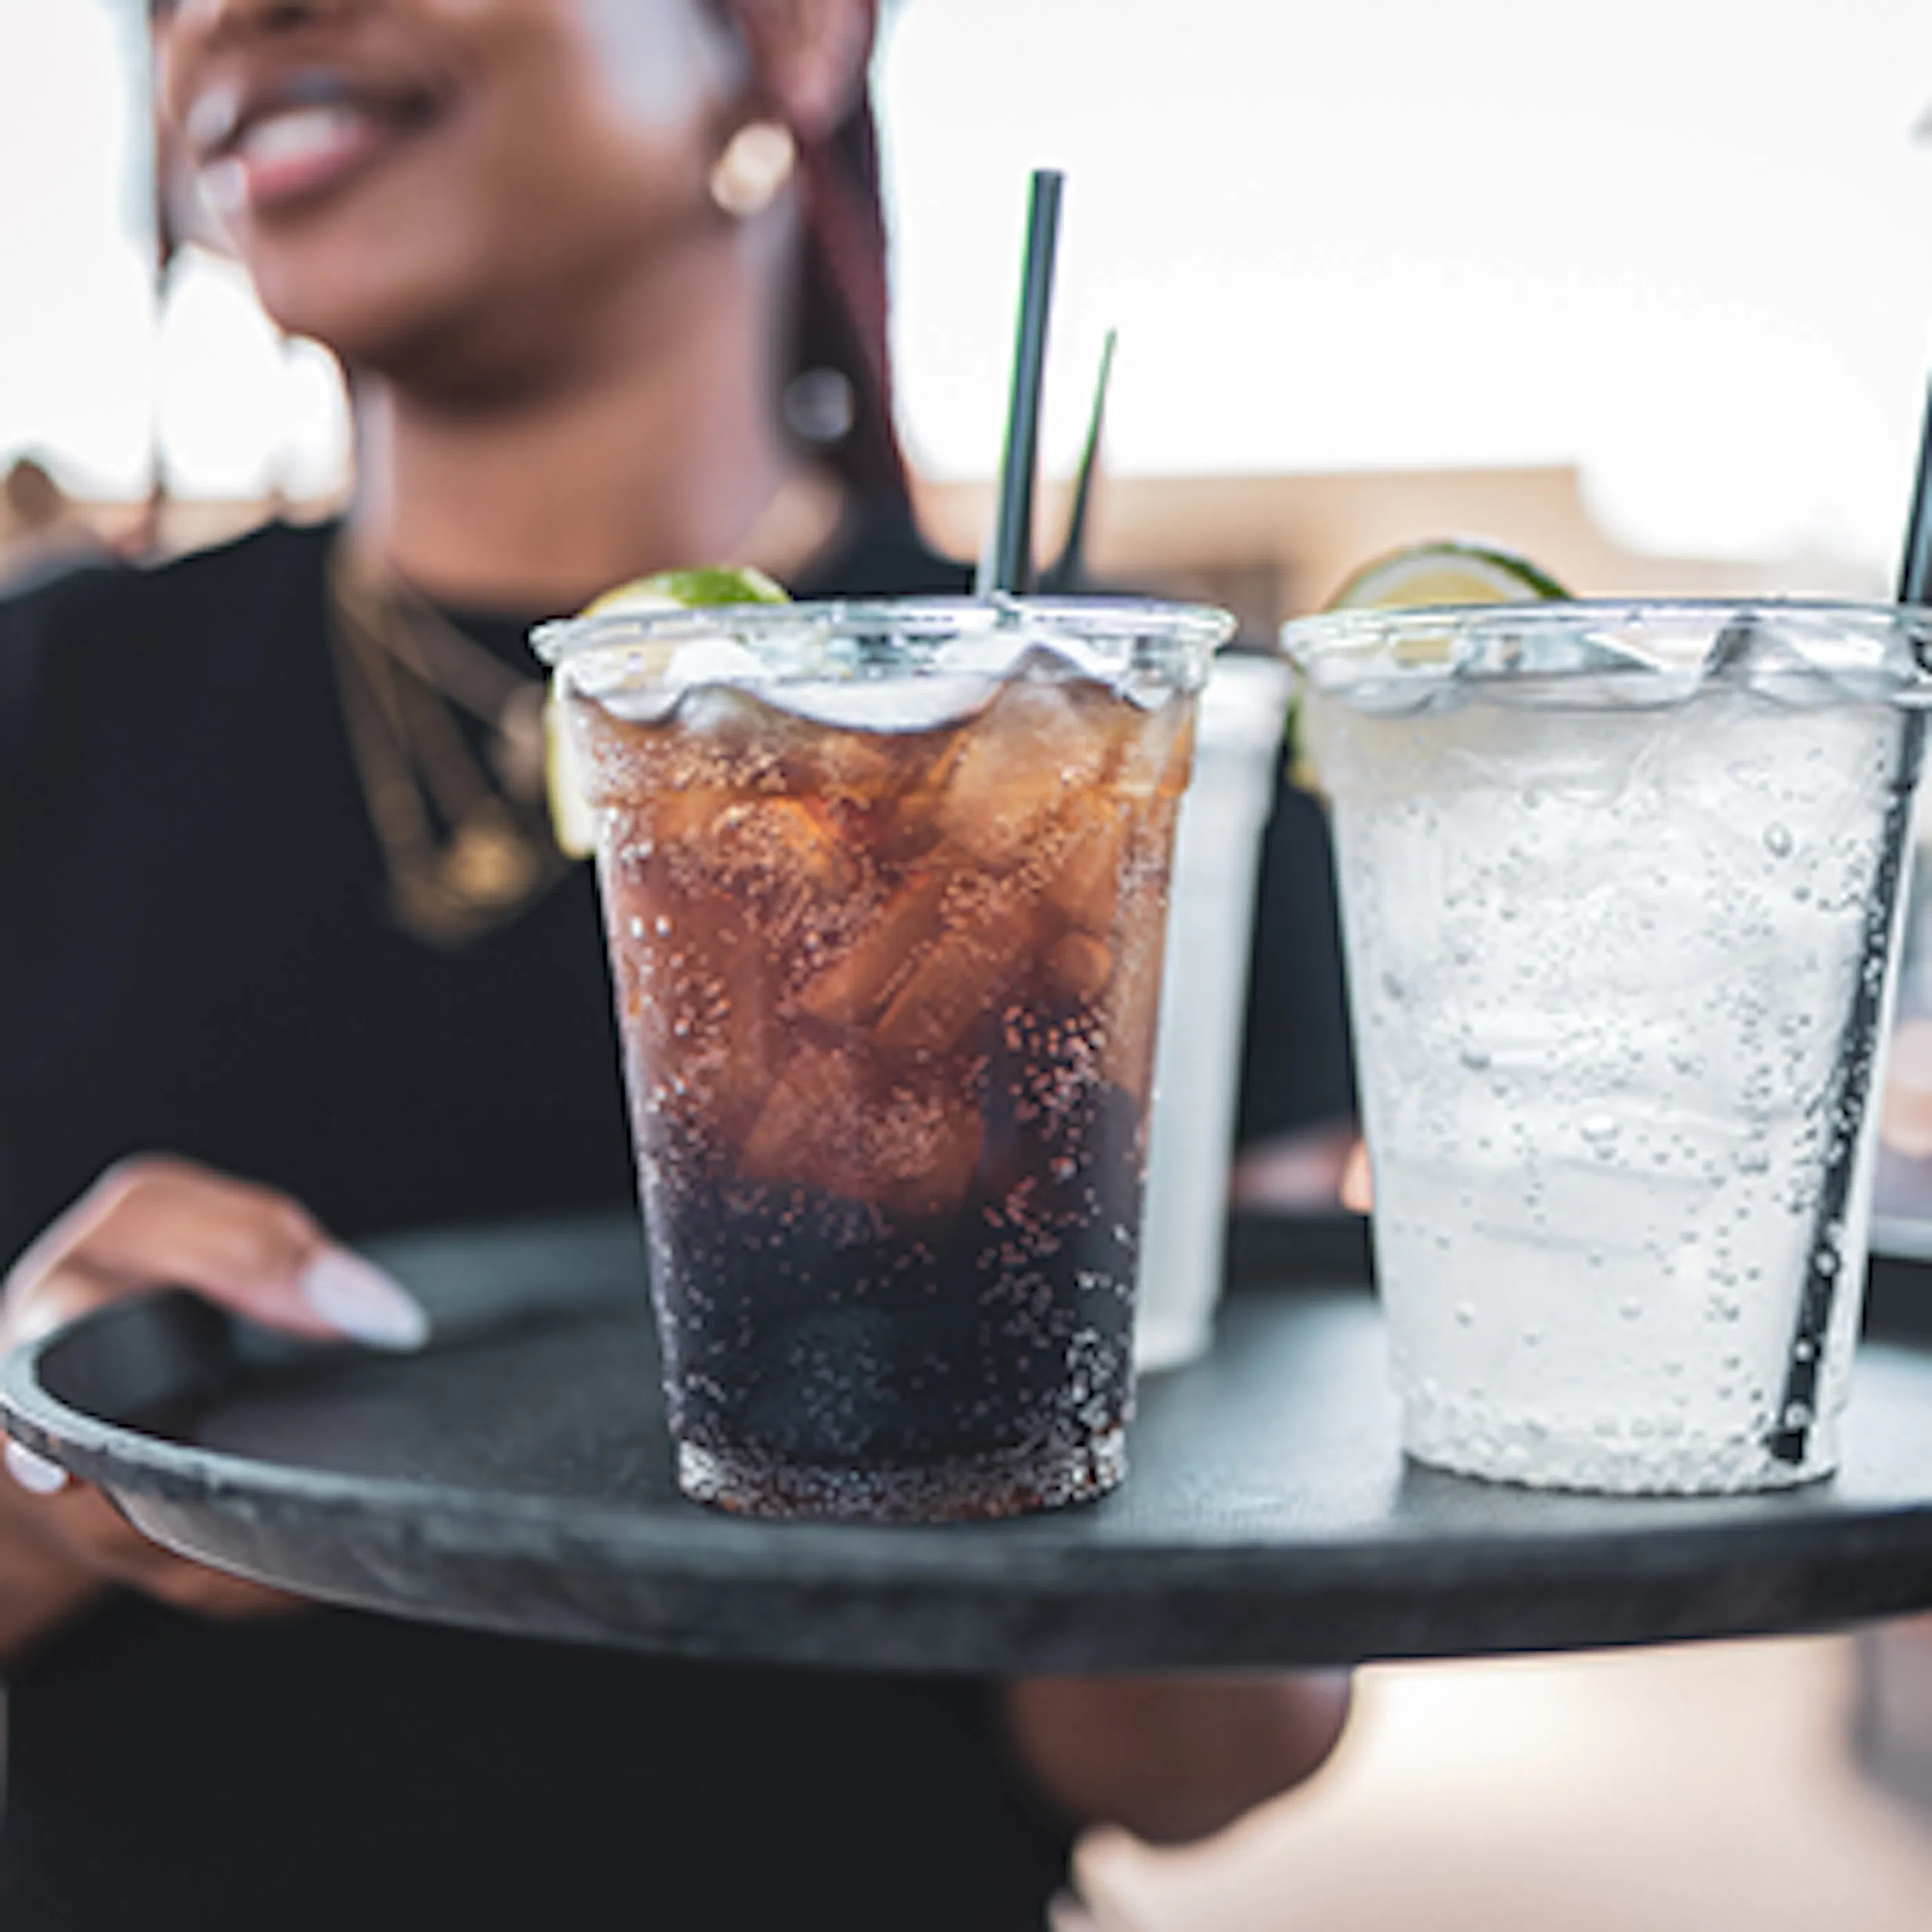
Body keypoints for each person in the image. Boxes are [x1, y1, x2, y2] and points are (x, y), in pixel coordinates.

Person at [0, 2, 1348, 1927]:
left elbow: (1206, 1756)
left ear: (789, 37)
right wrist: (46, 1475)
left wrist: (1099, 1414)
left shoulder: (1108, 763)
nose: (240, 9)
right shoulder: (41, 711)